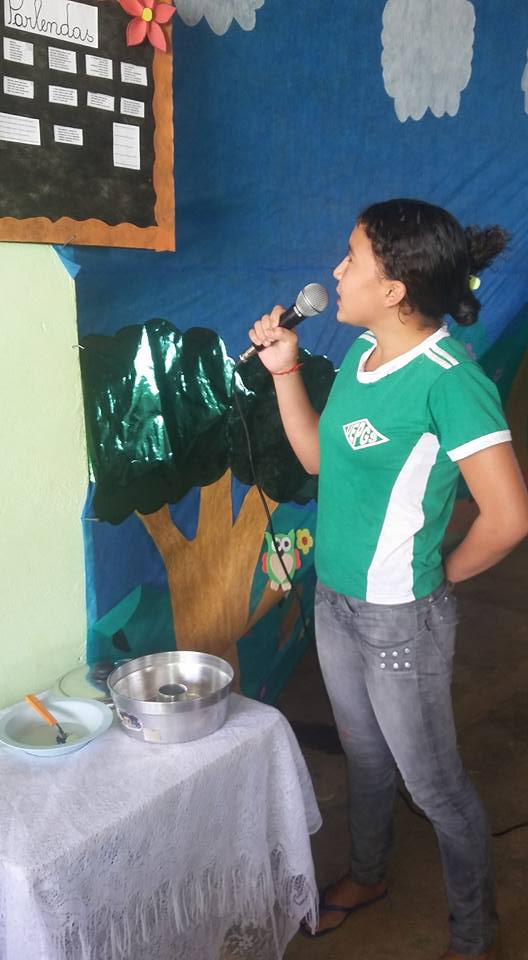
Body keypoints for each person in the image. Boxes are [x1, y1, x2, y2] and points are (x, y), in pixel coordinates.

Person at [247, 198, 528, 960]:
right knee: (367, 759)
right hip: (335, 603)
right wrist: (283, 373)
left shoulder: (449, 379)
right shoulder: (364, 358)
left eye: (351, 258)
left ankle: (474, 938)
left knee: (436, 788)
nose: (335, 271)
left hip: (403, 620)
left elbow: (507, 517)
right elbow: (317, 460)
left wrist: (436, 582)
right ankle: (369, 875)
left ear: (395, 287)